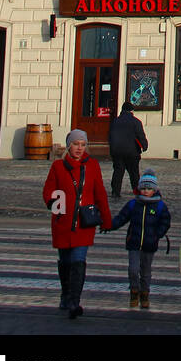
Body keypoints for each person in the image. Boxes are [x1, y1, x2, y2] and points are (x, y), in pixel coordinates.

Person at [42, 128, 112, 320]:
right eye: (76, 144)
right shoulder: (58, 166)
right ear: (69, 145)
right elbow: (48, 190)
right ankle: (65, 294)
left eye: (83, 145)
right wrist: (54, 204)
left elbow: (100, 193)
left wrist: (106, 219)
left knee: (78, 260)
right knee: (65, 261)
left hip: (84, 223)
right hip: (63, 223)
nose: (79, 148)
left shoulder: (92, 166)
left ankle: (74, 301)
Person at [111, 168, 171, 308]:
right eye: (143, 188)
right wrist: (109, 225)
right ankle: (134, 291)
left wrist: (158, 234)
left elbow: (165, 221)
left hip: (150, 244)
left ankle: (145, 293)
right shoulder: (133, 204)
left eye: (148, 188)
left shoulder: (160, 206)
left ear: (154, 190)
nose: (145, 191)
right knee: (133, 269)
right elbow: (121, 218)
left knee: (145, 271)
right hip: (134, 242)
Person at [108, 101, 148, 198]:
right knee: (134, 173)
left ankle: (115, 191)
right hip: (132, 152)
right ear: (131, 111)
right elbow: (140, 135)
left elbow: (110, 136)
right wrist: (144, 146)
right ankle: (137, 191)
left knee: (118, 172)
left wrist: (112, 148)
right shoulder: (136, 122)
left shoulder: (115, 121)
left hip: (117, 151)